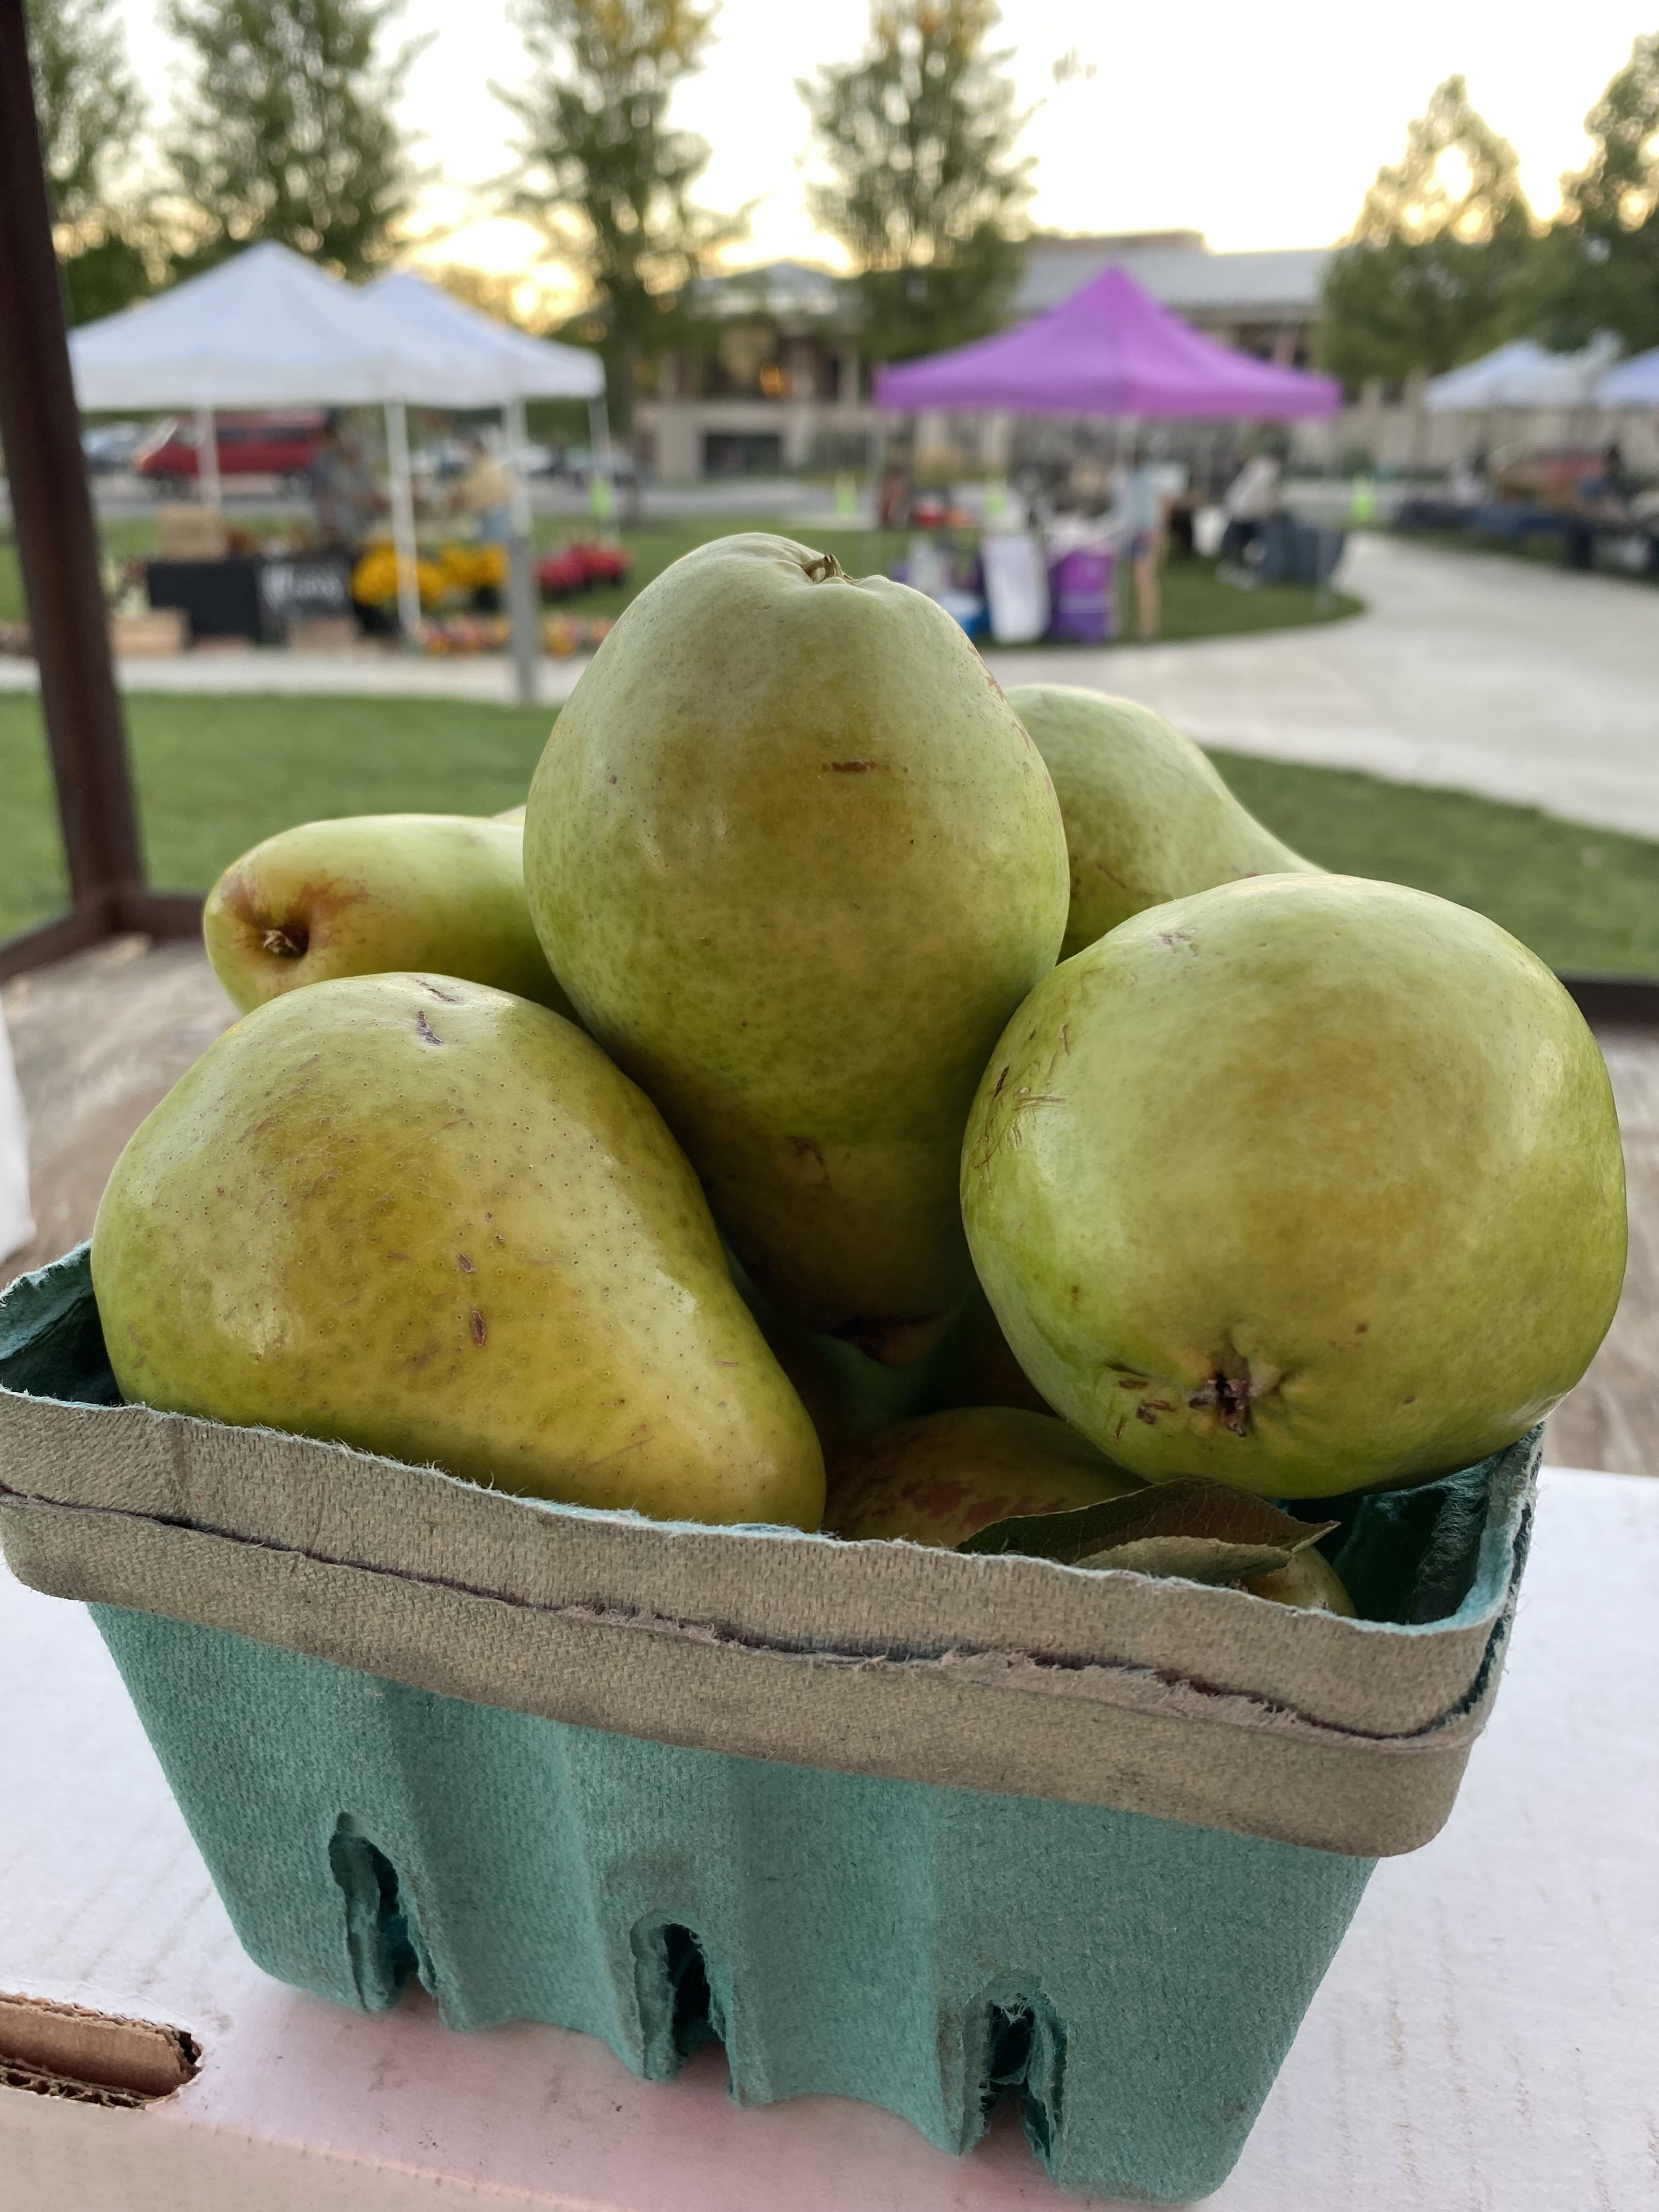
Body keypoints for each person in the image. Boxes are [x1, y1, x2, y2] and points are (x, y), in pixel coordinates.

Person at [1121, 443, 1168, 641]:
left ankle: (1148, 626)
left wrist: (1153, 534)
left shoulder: (1145, 482)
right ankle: (1144, 623)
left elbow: (1150, 512)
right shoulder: (1133, 481)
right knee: (1141, 580)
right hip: (1136, 533)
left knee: (1144, 580)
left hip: (1144, 534)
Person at [1219, 443, 1283, 566]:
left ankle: (1237, 564)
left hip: (1248, 512)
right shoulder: (1259, 469)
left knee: (1243, 542)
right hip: (1245, 513)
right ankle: (1236, 564)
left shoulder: (1262, 467)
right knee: (1240, 541)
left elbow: (1262, 493)